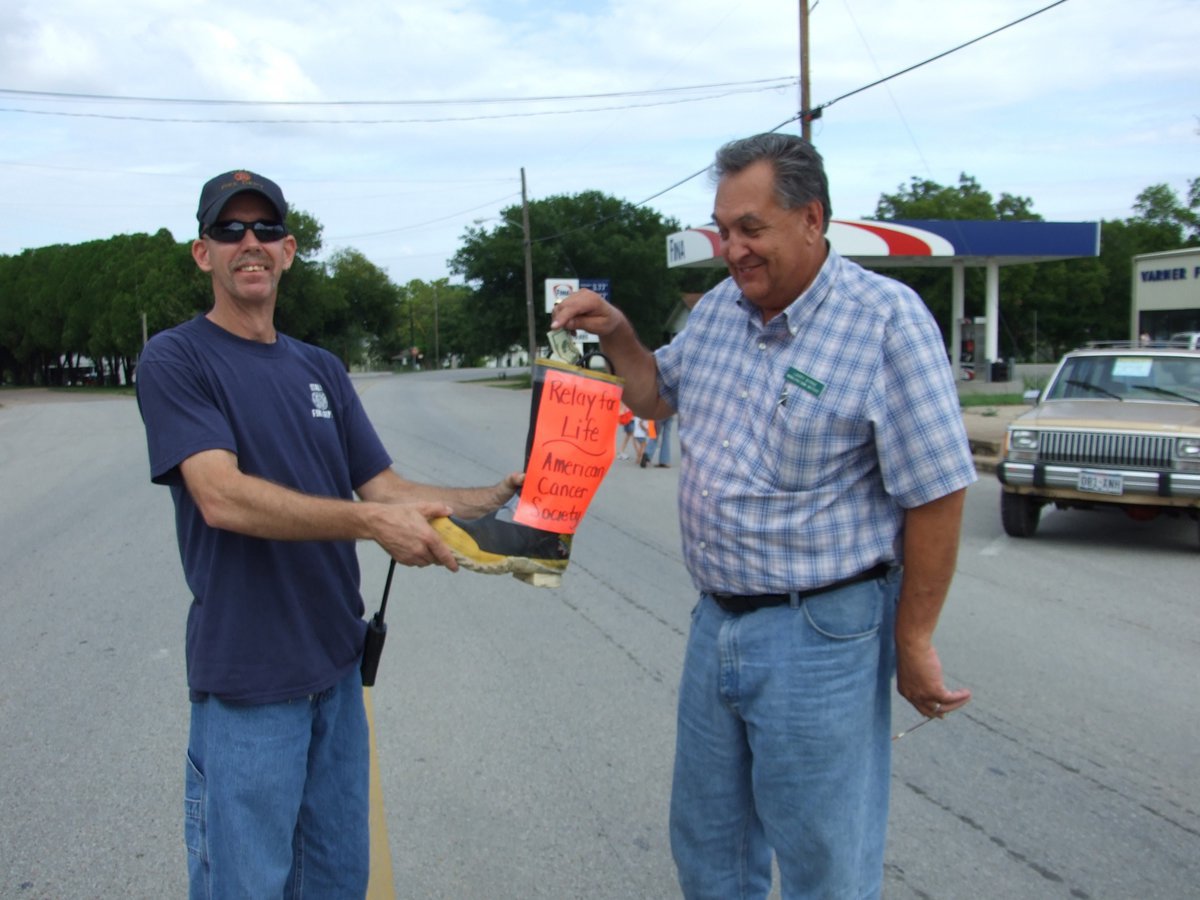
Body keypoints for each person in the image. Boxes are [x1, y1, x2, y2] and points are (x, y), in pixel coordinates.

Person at [551, 133, 976, 899]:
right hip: (718, 624)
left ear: (811, 218)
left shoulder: (886, 321)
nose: (733, 250)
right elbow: (653, 397)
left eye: (752, 228)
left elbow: (937, 492)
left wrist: (913, 639)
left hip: (822, 631)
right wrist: (616, 332)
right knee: (710, 847)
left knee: (823, 859)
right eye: (723, 230)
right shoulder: (718, 313)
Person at [135, 170, 521, 898]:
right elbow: (220, 497)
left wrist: (490, 500)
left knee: (337, 882)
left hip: (336, 677)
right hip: (248, 684)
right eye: (228, 230)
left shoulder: (320, 368)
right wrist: (370, 523)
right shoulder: (177, 358)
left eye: (264, 231)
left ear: (289, 250)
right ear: (202, 253)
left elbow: (387, 489)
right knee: (245, 886)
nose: (248, 243)